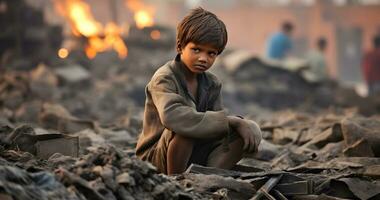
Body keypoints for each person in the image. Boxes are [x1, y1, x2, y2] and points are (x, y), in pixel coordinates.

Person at [135, 7, 262, 175]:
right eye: (196, 50)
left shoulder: (212, 83)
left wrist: (239, 125)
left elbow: (215, 127)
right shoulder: (164, 78)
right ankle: (177, 182)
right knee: (185, 129)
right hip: (156, 158)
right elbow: (173, 116)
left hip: (194, 150)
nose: (204, 58)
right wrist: (232, 121)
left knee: (249, 127)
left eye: (211, 53)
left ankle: (207, 176)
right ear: (180, 47)